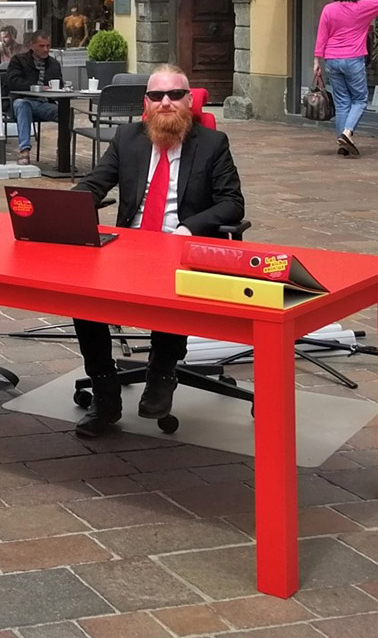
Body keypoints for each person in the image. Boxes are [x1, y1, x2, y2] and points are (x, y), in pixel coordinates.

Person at [68, 65, 245, 438]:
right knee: (80, 291)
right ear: (144, 104)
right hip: (130, 244)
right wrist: (67, 210)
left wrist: (187, 229)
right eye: (156, 96)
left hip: (182, 246)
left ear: (190, 103)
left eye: (175, 95)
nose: (166, 102)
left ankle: (161, 374)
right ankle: (105, 390)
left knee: (172, 286)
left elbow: (232, 204)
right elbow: (95, 183)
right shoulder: (128, 138)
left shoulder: (213, 144)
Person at [314, 0, 378, 158]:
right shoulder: (362, 7)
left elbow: (322, 36)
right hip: (353, 59)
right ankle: (347, 133)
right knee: (360, 99)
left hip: (332, 59)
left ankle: (343, 144)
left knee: (342, 102)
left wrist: (317, 60)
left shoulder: (329, 9)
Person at [2, 32, 64, 166]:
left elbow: (59, 83)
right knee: (22, 105)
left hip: (44, 103)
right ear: (32, 46)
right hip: (22, 100)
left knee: (65, 112)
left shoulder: (53, 64)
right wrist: (36, 88)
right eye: (42, 46)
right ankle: (24, 152)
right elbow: (13, 82)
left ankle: (63, 153)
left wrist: (59, 88)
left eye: (48, 46)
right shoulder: (18, 60)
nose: (46, 50)